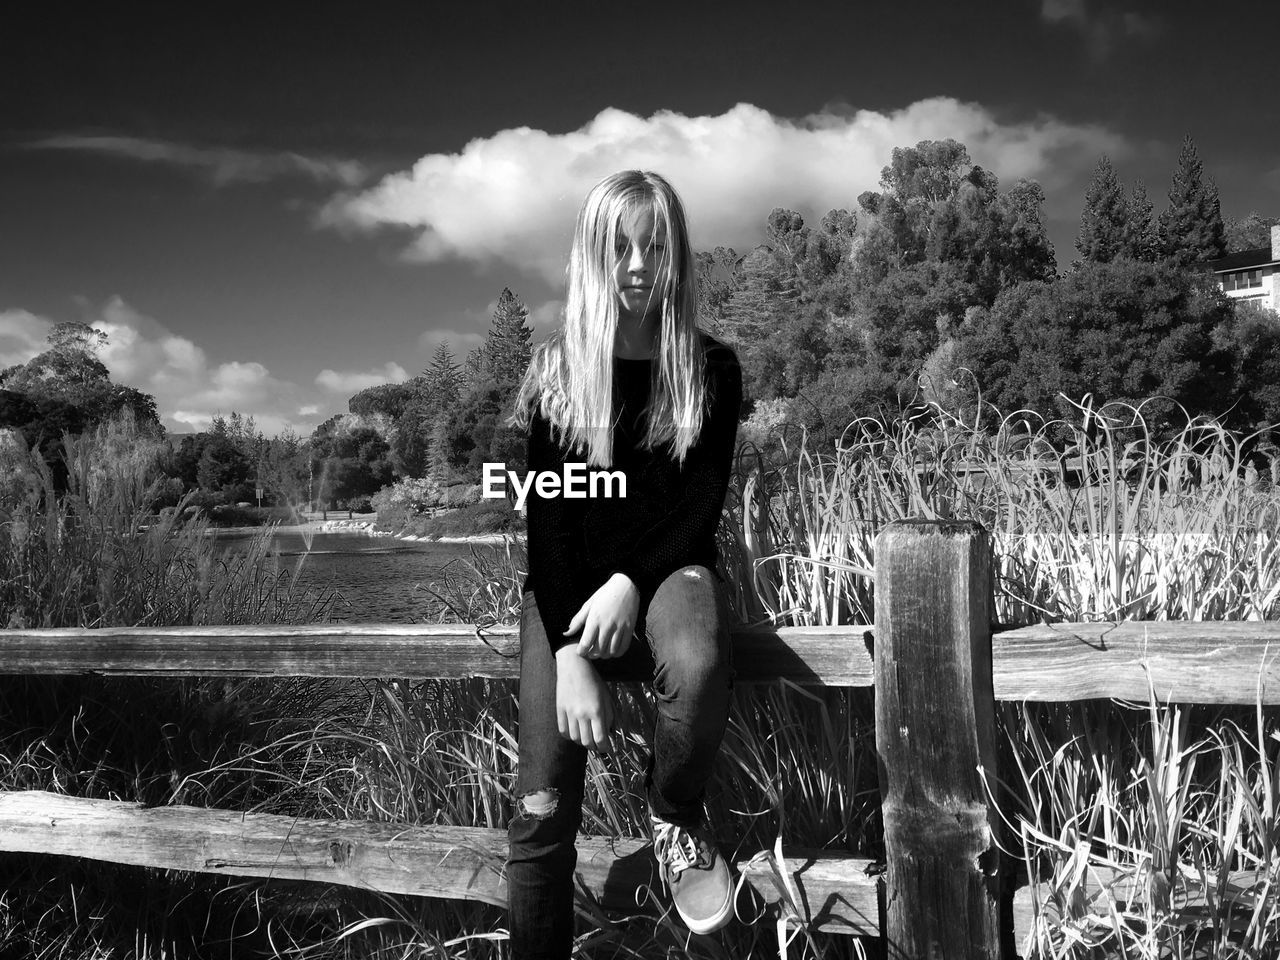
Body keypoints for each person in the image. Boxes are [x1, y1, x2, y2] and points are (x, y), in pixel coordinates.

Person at [503, 169, 743, 958]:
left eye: (656, 245)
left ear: (676, 254)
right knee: (540, 814)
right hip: (568, 594)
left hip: (670, 576)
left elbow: (695, 509)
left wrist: (629, 582)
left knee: (699, 659)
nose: (639, 265)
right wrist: (571, 652)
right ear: (593, 255)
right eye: (620, 246)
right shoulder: (557, 373)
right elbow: (551, 519)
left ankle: (674, 815)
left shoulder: (711, 370)